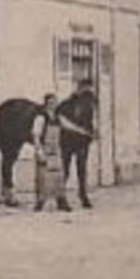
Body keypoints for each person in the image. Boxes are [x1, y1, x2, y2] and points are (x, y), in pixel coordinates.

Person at [0, 95, 53, 207]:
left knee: (9, 159)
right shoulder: (40, 117)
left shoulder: (53, 115)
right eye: (51, 104)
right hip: (22, 135)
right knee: (9, 158)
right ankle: (9, 193)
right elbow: (36, 135)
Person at [56, 79, 97, 212]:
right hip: (68, 142)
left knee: (82, 169)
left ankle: (83, 195)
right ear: (78, 89)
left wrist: (92, 131)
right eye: (85, 90)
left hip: (82, 142)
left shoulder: (90, 104)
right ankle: (61, 197)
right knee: (65, 170)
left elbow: (90, 121)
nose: (88, 94)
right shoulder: (65, 105)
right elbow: (62, 123)